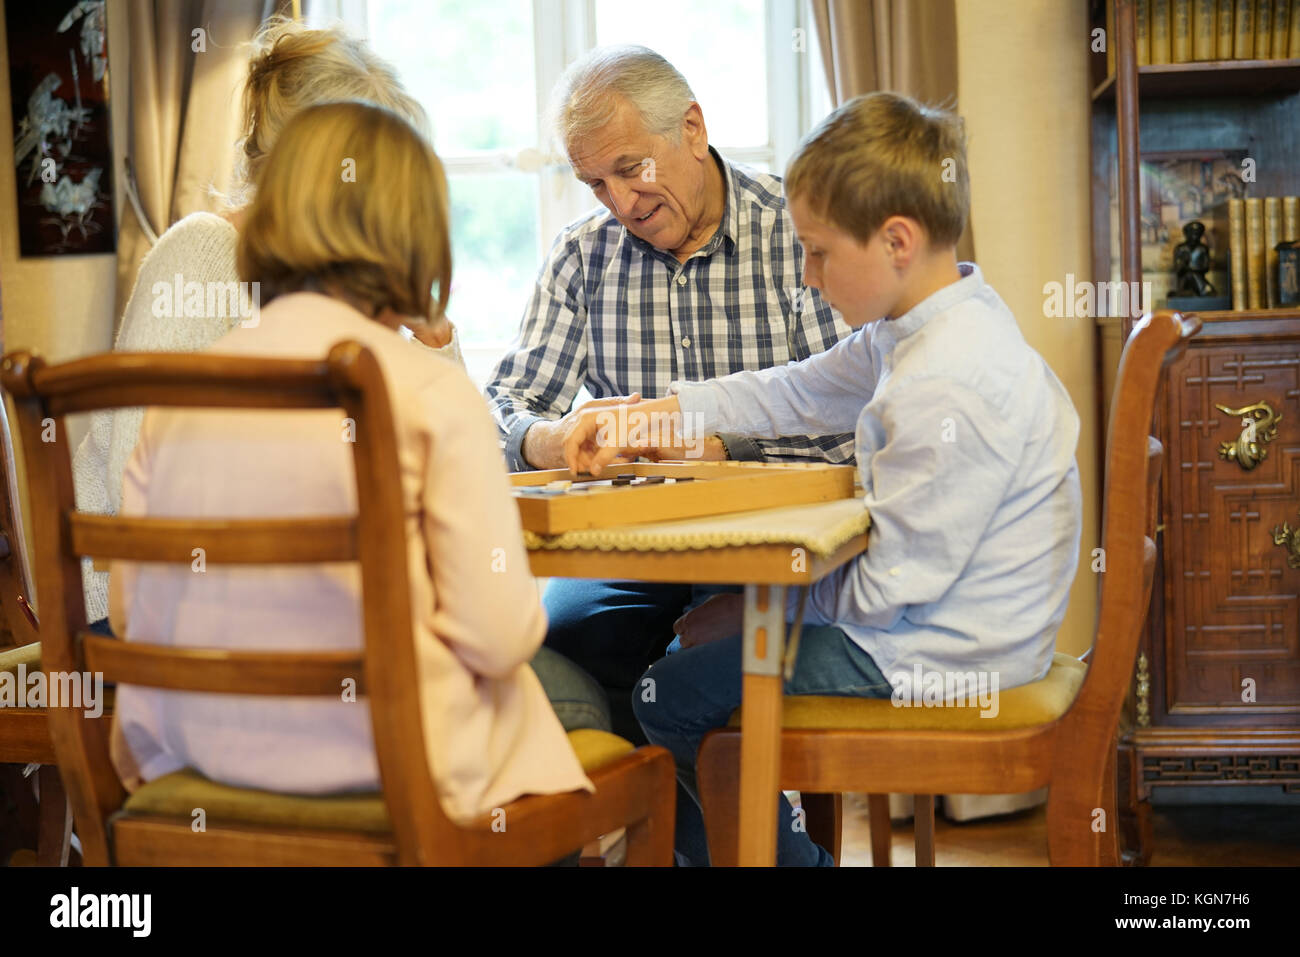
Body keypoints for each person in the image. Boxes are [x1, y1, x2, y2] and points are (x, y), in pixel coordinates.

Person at [565, 92, 1084, 865]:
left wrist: (760, 607)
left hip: (940, 654)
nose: (807, 278)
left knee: (665, 695)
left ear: (897, 241)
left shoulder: (944, 383)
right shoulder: (927, 324)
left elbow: (886, 590)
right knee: (684, 673)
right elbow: (793, 391)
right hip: (943, 628)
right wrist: (657, 415)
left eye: (818, 252)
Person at [107, 101, 598, 833]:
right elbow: (499, 636)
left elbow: (128, 613)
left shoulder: (180, 392)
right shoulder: (427, 389)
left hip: (201, 755)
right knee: (584, 697)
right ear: (415, 234)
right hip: (387, 762)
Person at [484, 43, 854, 750]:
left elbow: (850, 418)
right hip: (631, 547)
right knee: (562, 649)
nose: (621, 202)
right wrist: (547, 439)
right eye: (594, 183)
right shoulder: (580, 256)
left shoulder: (795, 231)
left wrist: (724, 448)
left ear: (692, 128)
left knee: (709, 671)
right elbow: (502, 405)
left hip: (772, 543)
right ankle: (661, 829)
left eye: (630, 169)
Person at [73, 18, 460, 632]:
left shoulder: (333, 285)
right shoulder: (204, 255)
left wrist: (433, 339)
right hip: (164, 619)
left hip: (285, 609)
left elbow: (445, 471)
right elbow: (141, 499)